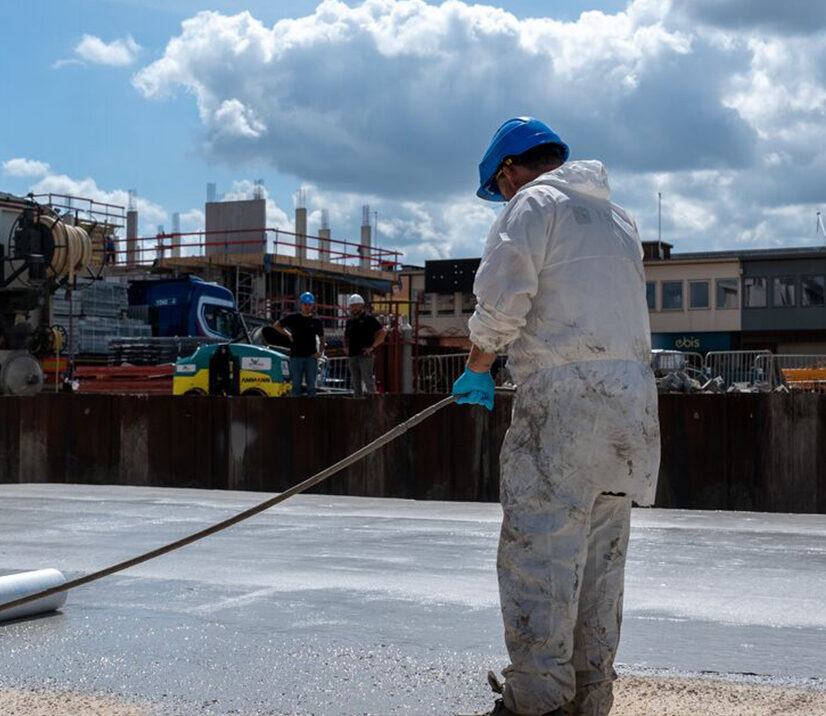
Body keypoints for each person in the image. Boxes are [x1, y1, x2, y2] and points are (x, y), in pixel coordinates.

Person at [453, 118, 660, 716]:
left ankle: (536, 703)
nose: (505, 194)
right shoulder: (620, 219)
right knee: (601, 561)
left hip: (565, 399)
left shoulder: (533, 204)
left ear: (509, 169)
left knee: (540, 552)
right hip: (631, 407)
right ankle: (590, 699)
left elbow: (503, 296)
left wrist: (479, 364)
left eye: (502, 186)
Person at [274, 291, 325, 397]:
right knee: (296, 385)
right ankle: (295, 411)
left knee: (311, 386)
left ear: (312, 305)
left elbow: (322, 338)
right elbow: (277, 325)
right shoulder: (293, 318)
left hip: (311, 358)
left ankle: (311, 410)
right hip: (296, 357)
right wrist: (288, 334)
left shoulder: (316, 321)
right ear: (300, 304)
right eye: (305, 304)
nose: (307, 306)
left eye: (309, 304)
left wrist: (320, 353)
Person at [344, 294, 386, 398]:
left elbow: (382, 332)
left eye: (355, 306)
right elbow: (345, 336)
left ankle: (373, 404)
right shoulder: (350, 321)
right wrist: (346, 348)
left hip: (365, 355)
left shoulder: (369, 319)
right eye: (351, 306)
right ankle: (357, 405)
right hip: (353, 355)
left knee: (368, 381)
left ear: (361, 306)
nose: (353, 308)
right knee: (356, 383)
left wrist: (372, 347)